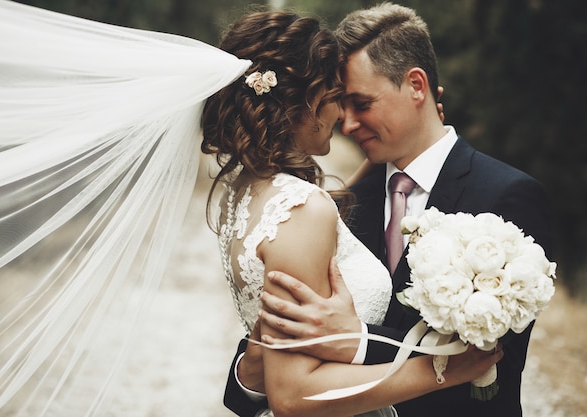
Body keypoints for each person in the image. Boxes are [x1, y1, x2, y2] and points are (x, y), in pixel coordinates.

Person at [223, 3, 553, 417]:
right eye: (339, 103)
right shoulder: (337, 203)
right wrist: (251, 371)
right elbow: (269, 375)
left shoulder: (507, 196)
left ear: (417, 85)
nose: (346, 123)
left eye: (361, 103)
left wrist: (357, 341)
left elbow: (490, 364)